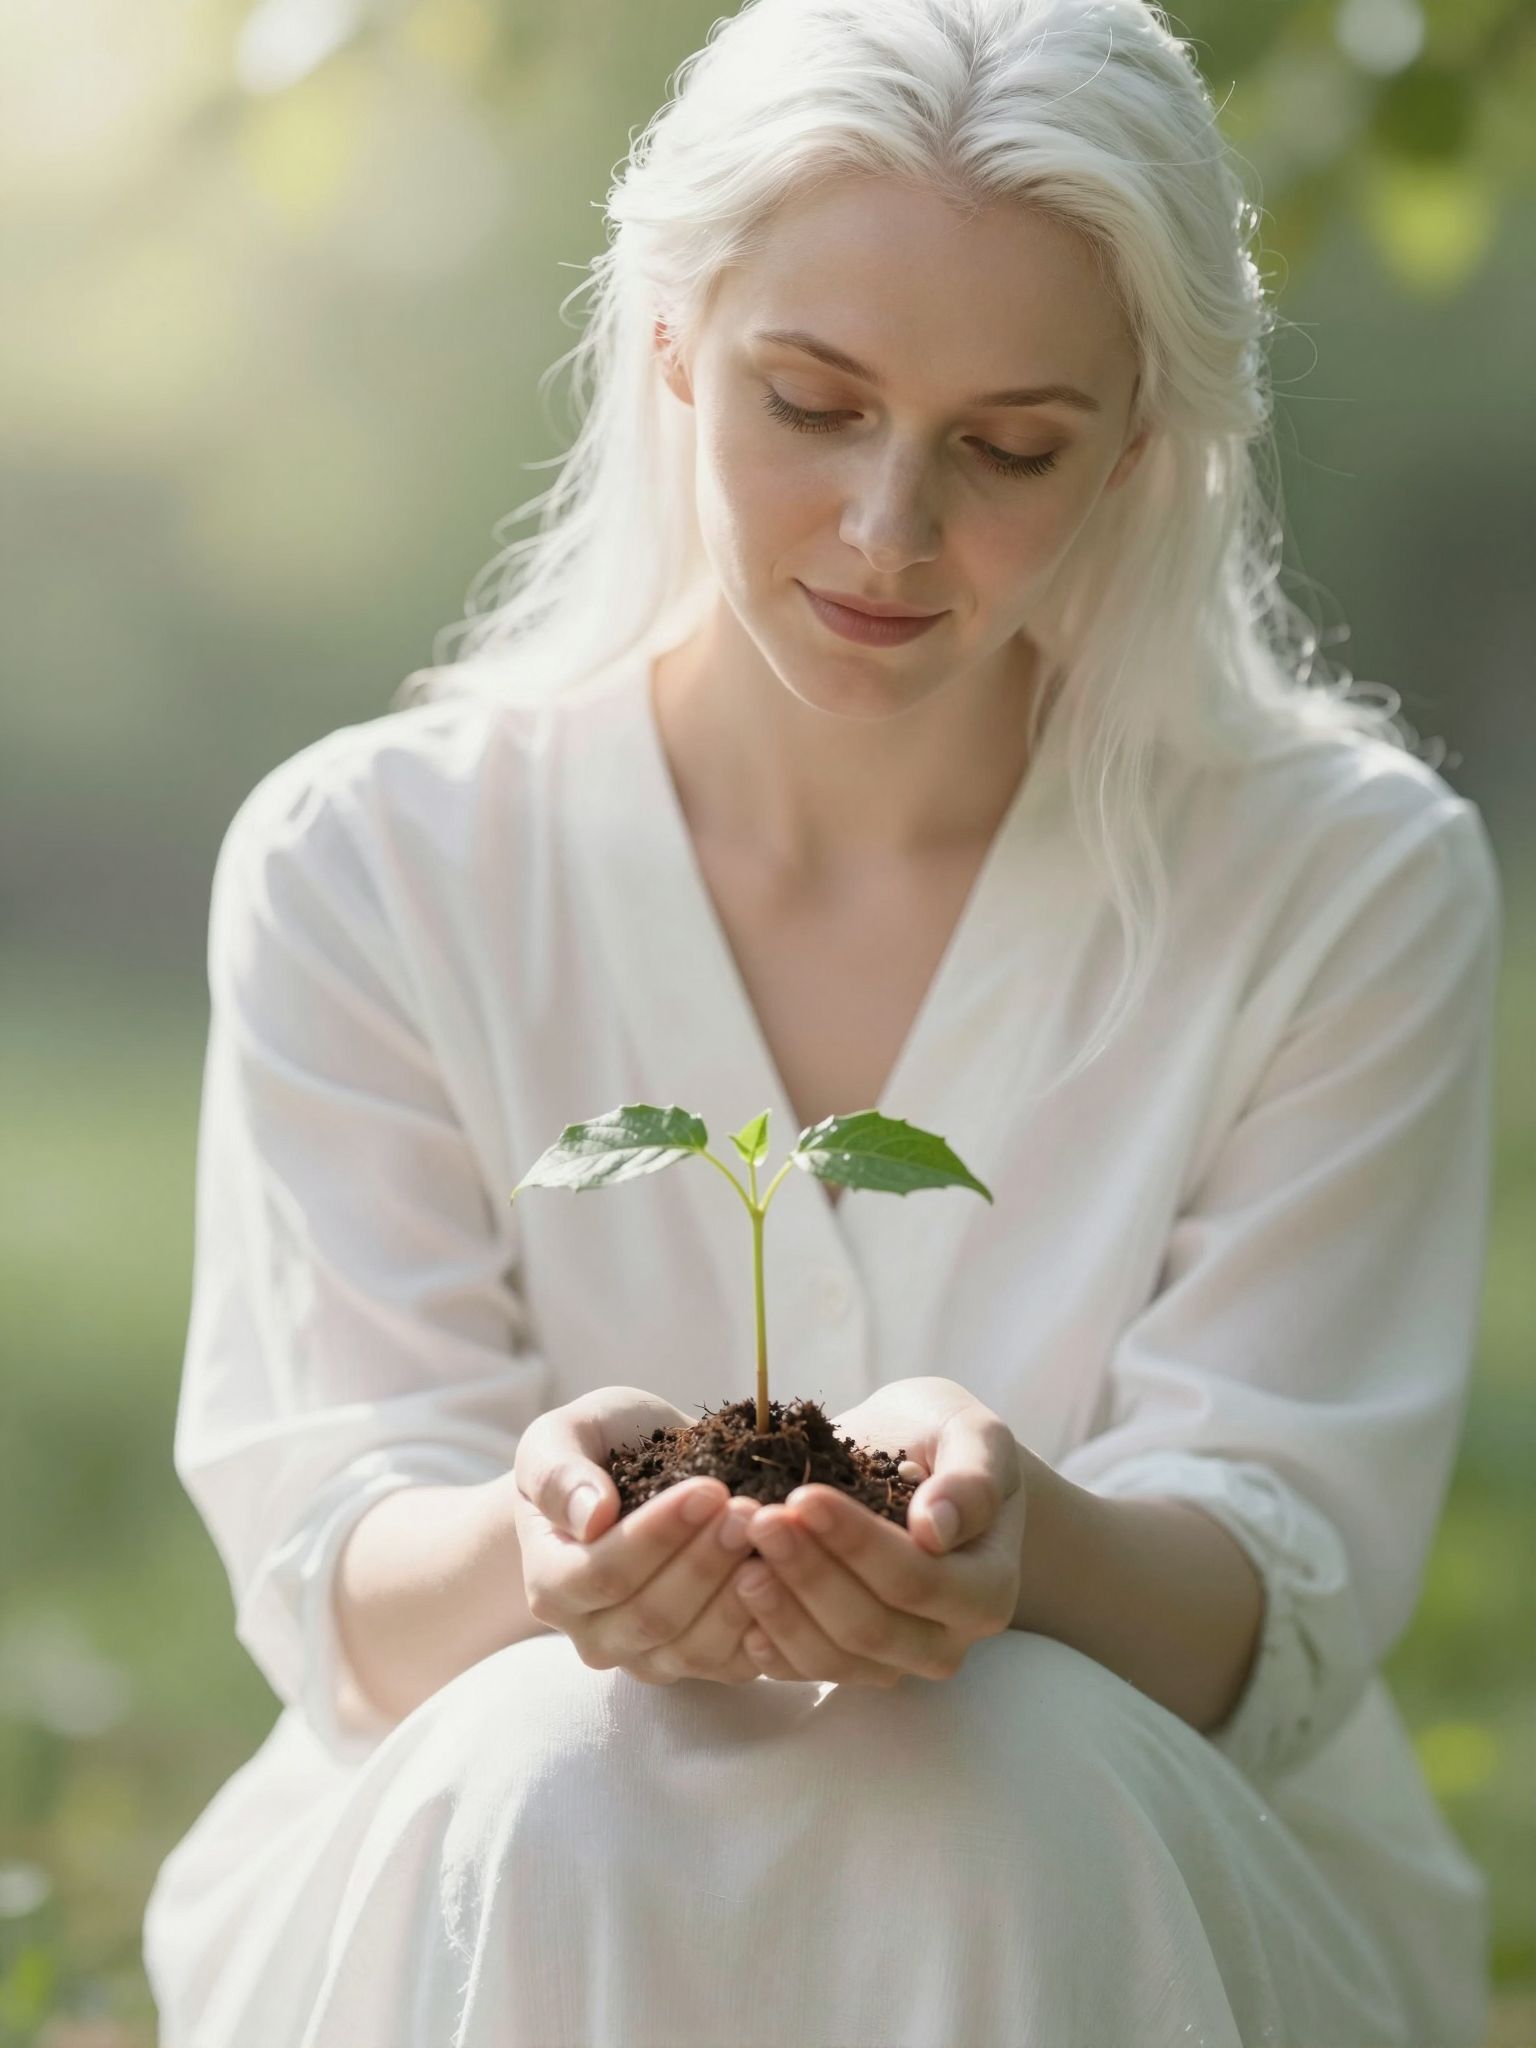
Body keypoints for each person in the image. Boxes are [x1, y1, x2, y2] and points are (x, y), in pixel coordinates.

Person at [142, 1, 1501, 2042]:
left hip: (1143, 1883)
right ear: (676, 343)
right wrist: (549, 1553)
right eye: (811, 401)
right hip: (485, 1873)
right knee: (555, 1763)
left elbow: (1277, 1595)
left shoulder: (1339, 883)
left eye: (1010, 446)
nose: (888, 527)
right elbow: (336, 1564)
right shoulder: (373, 865)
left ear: (1140, 446)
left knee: (1005, 1754)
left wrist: (1028, 1545)